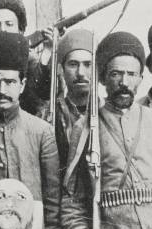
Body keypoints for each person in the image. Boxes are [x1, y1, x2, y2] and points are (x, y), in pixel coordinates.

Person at [61, 31, 152, 229]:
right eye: (116, 74)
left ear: (141, 77)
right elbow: (72, 201)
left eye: (131, 74)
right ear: (102, 79)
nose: (124, 82)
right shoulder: (85, 127)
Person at [0, 31, 60, 229]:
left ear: (22, 85)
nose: (2, 90)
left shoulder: (42, 132)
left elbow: (52, 202)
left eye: (10, 82)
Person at [0, 0, 53, 115]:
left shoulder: (30, 60)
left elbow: (42, 92)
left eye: (9, 24)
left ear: (20, 30)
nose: (3, 30)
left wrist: (47, 52)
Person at [50, 28, 93, 173]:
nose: (81, 73)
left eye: (88, 64)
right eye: (73, 64)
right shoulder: (48, 115)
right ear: (61, 69)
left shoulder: (106, 112)